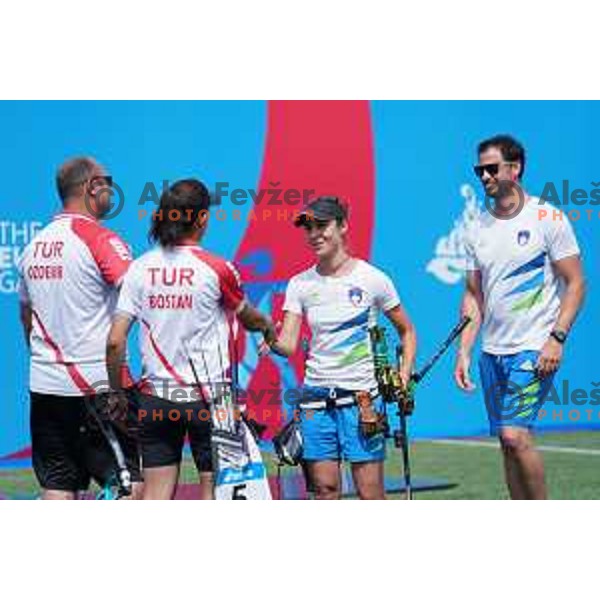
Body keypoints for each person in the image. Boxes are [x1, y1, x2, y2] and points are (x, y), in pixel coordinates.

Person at [106, 178, 275, 500]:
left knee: (155, 497)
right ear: (201, 218)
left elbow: (115, 342)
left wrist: (117, 393)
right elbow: (249, 318)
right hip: (214, 399)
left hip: (157, 397)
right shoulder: (217, 269)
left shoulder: (139, 269)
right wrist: (267, 323)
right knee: (216, 494)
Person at [455, 134, 586, 499]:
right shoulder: (475, 227)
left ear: (515, 168)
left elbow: (576, 283)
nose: (484, 176)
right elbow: (472, 294)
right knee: (506, 440)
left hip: (534, 347)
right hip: (492, 352)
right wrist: (464, 351)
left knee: (515, 434)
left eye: (491, 168)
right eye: (478, 170)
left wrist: (556, 339)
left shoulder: (547, 217)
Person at [264, 196, 416, 500]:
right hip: (315, 405)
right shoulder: (299, 284)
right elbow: (288, 345)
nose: (314, 234)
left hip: (363, 404)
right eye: (308, 228)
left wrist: (403, 373)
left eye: (322, 225)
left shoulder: (373, 279)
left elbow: (408, 331)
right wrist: (266, 331)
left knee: (370, 495)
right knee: (325, 492)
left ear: (343, 226)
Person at [17, 157, 142, 499]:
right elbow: (140, 298)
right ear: (92, 187)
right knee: (130, 488)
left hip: (45, 387)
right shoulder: (100, 240)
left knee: (57, 487)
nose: (112, 190)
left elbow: (26, 318)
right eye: (107, 182)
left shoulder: (33, 247)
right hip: (99, 387)